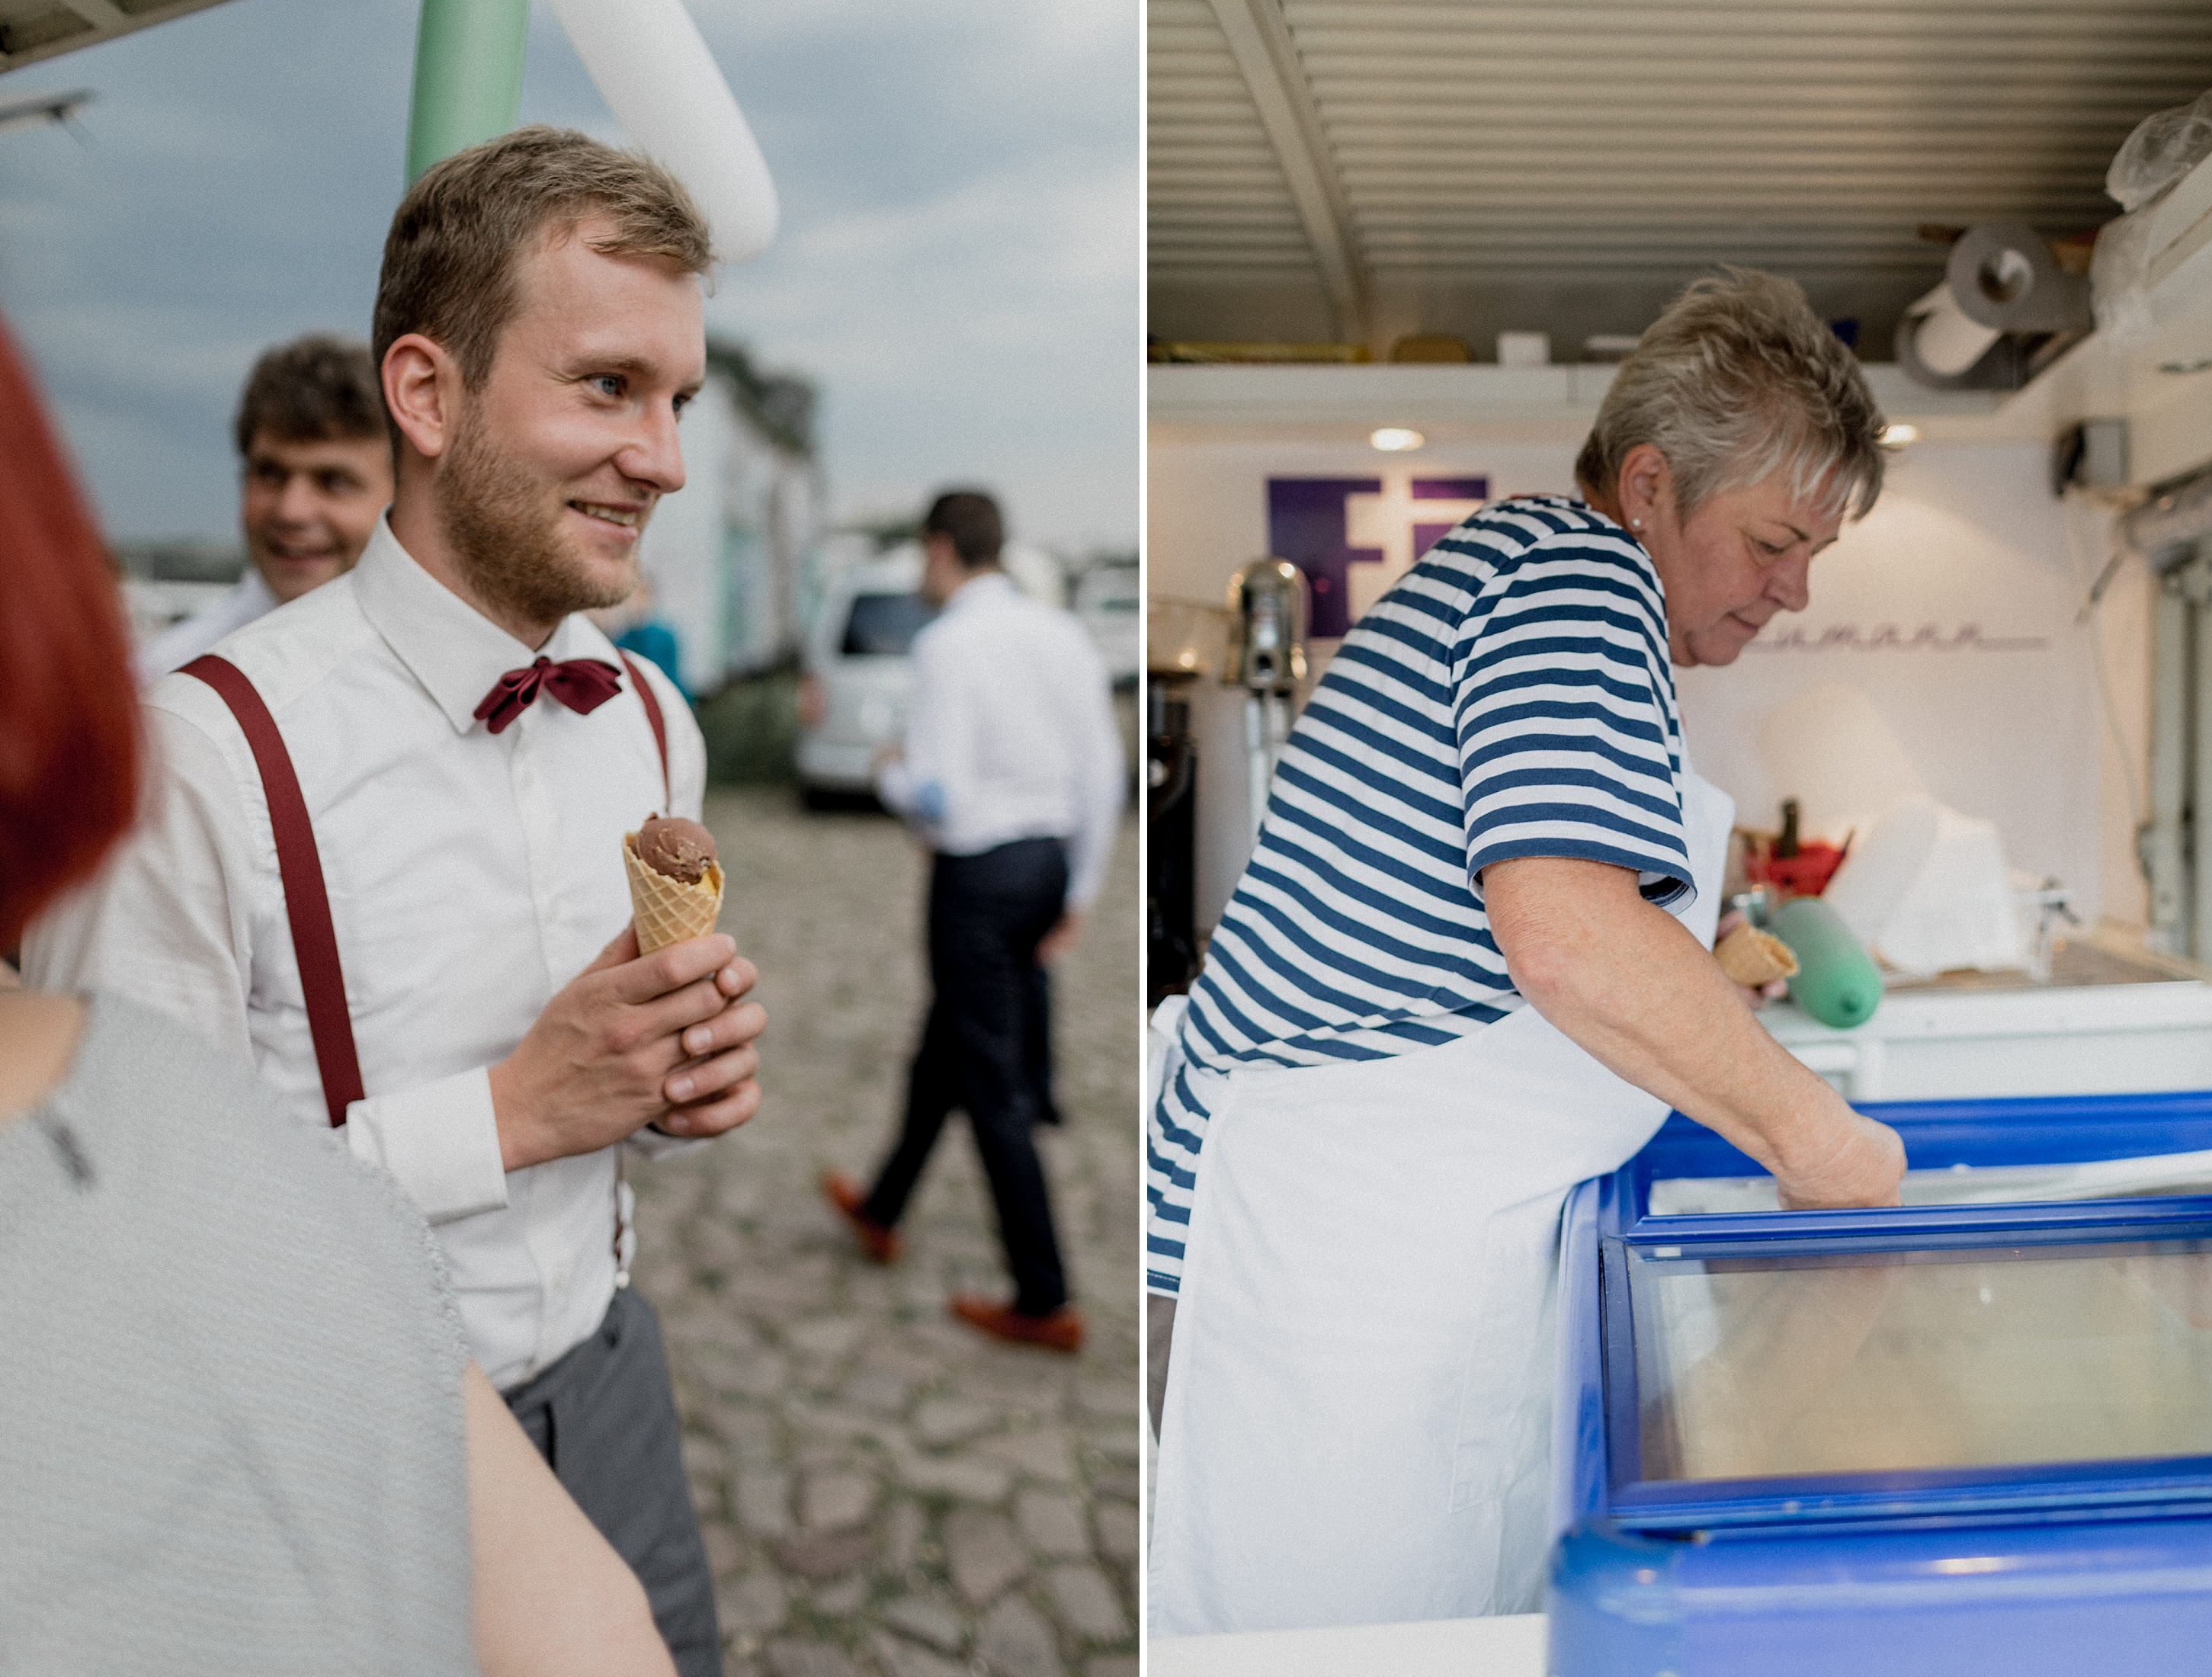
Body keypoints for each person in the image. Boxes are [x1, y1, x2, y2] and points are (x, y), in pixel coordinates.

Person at [22, 128, 762, 1677]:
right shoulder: (200, 756)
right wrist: (507, 1110)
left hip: (618, 1382)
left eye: (678, 399)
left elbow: (601, 1089)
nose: (667, 458)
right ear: (425, 394)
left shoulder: (647, 716)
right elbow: (117, 1247)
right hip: (331, 1446)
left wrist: (665, 1076)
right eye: (608, 387)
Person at [1146, 270, 1909, 1635]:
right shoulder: (1577, 574)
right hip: (1313, 1269)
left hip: (1384, 1256)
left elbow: (1543, 913)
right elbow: (1561, 931)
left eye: (1816, 555)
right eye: (1777, 540)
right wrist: (1821, 1142)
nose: (1794, 589)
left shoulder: (1531, 582)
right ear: (1650, 486)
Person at [821, 490, 1126, 1351]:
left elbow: (941, 795)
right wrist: (1080, 890)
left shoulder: (948, 643)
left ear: (942, 547)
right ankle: (883, 1206)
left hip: (978, 876)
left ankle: (1045, 1293)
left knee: (990, 1081)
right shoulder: (1061, 633)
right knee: (950, 1038)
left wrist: (889, 774)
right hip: (1045, 866)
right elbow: (1103, 773)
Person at [136, 332, 394, 681]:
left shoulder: (455, 679)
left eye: (333, 481)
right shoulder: (168, 679)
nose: (292, 511)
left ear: (401, 493)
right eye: (271, 474)